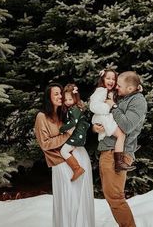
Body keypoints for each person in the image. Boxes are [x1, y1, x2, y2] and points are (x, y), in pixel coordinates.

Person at [34, 82, 95, 227]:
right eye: (56, 93)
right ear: (48, 97)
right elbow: (45, 143)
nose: (60, 96)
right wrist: (66, 134)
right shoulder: (42, 116)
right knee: (68, 200)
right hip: (60, 162)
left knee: (81, 200)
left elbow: (80, 126)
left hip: (79, 156)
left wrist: (94, 128)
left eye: (60, 93)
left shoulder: (65, 112)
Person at [93, 71, 147, 227]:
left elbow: (127, 125)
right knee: (111, 195)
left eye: (119, 85)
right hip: (108, 150)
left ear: (130, 88)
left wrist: (113, 107)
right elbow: (104, 116)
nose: (116, 86)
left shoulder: (138, 101)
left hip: (118, 153)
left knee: (115, 196)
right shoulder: (125, 97)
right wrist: (95, 128)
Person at [89, 68, 135, 172]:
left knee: (121, 135)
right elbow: (93, 106)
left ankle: (119, 161)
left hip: (105, 118)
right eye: (108, 78)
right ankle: (118, 162)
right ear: (103, 79)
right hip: (103, 118)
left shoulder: (110, 92)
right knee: (121, 135)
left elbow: (126, 92)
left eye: (113, 79)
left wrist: (136, 89)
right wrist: (108, 106)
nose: (111, 81)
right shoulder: (101, 90)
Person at [59, 83, 90, 181]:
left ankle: (77, 169)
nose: (67, 102)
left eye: (70, 99)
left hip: (77, 135)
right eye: (65, 100)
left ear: (75, 98)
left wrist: (62, 129)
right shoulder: (73, 108)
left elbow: (73, 122)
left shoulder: (75, 109)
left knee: (63, 151)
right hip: (77, 134)